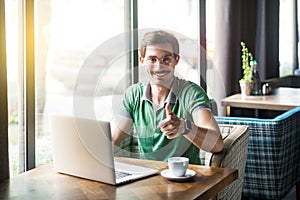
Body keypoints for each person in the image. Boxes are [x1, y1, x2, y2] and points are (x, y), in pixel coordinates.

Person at [112, 30, 223, 164]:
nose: (159, 66)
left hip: (184, 179)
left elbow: (217, 145)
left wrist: (184, 127)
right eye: (152, 59)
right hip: (146, 177)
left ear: (176, 60)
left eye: (166, 59)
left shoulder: (192, 93)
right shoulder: (133, 94)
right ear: (142, 60)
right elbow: (114, 139)